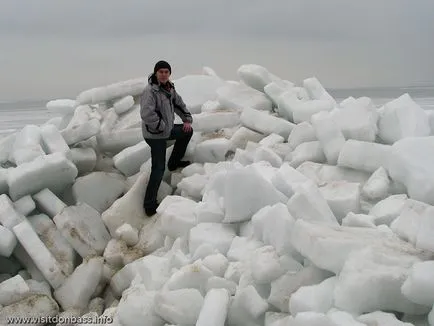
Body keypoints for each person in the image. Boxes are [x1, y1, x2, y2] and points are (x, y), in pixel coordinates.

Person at [140, 60, 193, 216]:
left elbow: (179, 104)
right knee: (158, 169)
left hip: (166, 130)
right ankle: (149, 205)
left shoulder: (169, 88)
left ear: (169, 74)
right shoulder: (150, 91)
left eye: (166, 72)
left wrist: (187, 119)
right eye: (161, 71)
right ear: (156, 73)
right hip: (155, 135)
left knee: (187, 131)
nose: (163, 74)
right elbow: (147, 115)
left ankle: (174, 162)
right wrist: (162, 127)